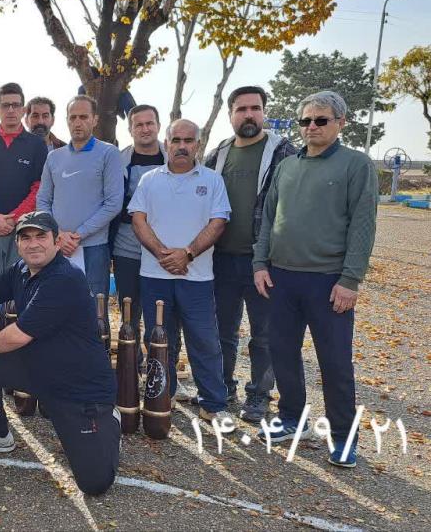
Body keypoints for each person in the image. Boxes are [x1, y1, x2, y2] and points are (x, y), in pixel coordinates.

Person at [253, 91, 378, 468]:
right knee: (283, 354)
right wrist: (260, 263)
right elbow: (269, 217)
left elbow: (363, 225)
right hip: (282, 279)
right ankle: (293, 419)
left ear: (340, 123)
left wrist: (351, 279)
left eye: (320, 120)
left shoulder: (356, 166)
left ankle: (343, 437)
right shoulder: (287, 166)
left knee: (336, 363)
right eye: (305, 120)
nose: (311, 127)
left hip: (328, 283)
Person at [0, 211, 119, 496]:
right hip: (39, 369)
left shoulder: (64, 278)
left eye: (41, 236)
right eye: (26, 238)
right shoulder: (21, 268)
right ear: (18, 244)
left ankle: (109, 423)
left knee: (95, 483)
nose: (33, 244)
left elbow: (19, 335)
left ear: (57, 242)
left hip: (78, 387)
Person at [128, 119, 233, 423]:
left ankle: (213, 403)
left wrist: (186, 254)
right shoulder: (150, 180)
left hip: (196, 278)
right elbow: (138, 220)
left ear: (198, 145)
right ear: (167, 143)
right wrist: (163, 254)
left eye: (189, 140)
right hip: (155, 276)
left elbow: (218, 222)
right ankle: (164, 393)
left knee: (204, 340)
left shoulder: (213, 180)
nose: (182, 146)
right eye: (176, 140)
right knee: (160, 340)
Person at [203, 86, 297, 421]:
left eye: (255, 108)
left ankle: (258, 396)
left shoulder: (284, 153)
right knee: (222, 331)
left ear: (264, 112)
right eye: (241, 109)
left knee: (264, 336)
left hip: (264, 262)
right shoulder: (218, 154)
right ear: (230, 115)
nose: (248, 115)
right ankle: (223, 386)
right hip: (222, 258)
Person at [37, 95, 123, 303]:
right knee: (56, 305)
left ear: (95, 119)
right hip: (57, 246)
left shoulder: (108, 153)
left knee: (94, 310)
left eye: (84, 117)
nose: (77, 122)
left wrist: (77, 235)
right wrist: (58, 235)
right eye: (73, 117)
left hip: (94, 248)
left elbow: (113, 203)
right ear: (66, 120)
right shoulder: (54, 157)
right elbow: (43, 200)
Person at [0, 83, 47, 291]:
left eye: (16, 105)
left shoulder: (36, 145)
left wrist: (14, 219)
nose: (11, 110)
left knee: (20, 290)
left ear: (24, 110)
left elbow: (38, 187)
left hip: (23, 229)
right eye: (5, 106)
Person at [112, 104, 165, 334]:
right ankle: (131, 361)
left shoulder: (174, 159)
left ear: (159, 126)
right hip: (126, 248)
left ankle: (160, 362)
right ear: (130, 129)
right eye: (139, 125)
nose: (145, 129)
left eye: (149, 123)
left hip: (164, 248)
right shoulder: (118, 161)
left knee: (162, 312)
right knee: (129, 309)